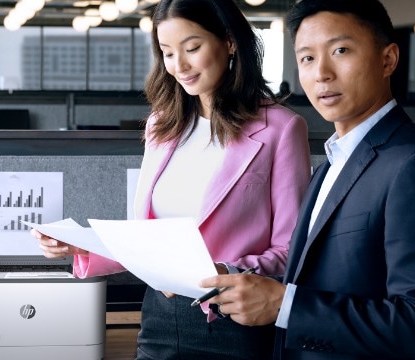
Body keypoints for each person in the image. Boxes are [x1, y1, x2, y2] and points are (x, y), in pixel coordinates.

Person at [32, 0, 311, 359]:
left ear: (228, 42)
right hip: (161, 318)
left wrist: (223, 270)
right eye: (167, 53)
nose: (179, 66)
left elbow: (292, 252)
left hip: (233, 321)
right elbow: (148, 238)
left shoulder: (282, 129)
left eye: (192, 48)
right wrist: (80, 245)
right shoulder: (162, 126)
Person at [200, 0, 415, 359]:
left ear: (388, 60)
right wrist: (242, 283)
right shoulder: (330, 166)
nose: (322, 74)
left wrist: (285, 306)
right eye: (307, 58)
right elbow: (317, 284)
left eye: (341, 50)